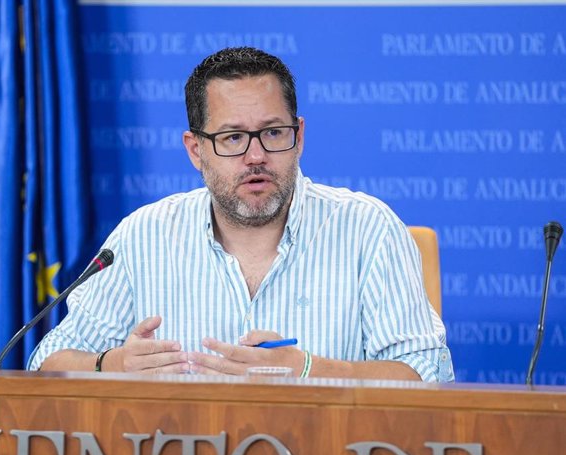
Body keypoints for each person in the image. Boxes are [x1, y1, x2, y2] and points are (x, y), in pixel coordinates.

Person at [29, 47, 454, 382]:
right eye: (233, 137)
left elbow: (428, 376)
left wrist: (309, 371)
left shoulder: (369, 230)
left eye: (273, 133)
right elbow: (47, 363)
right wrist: (113, 364)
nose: (256, 155)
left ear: (299, 136)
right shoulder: (143, 236)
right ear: (196, 150)